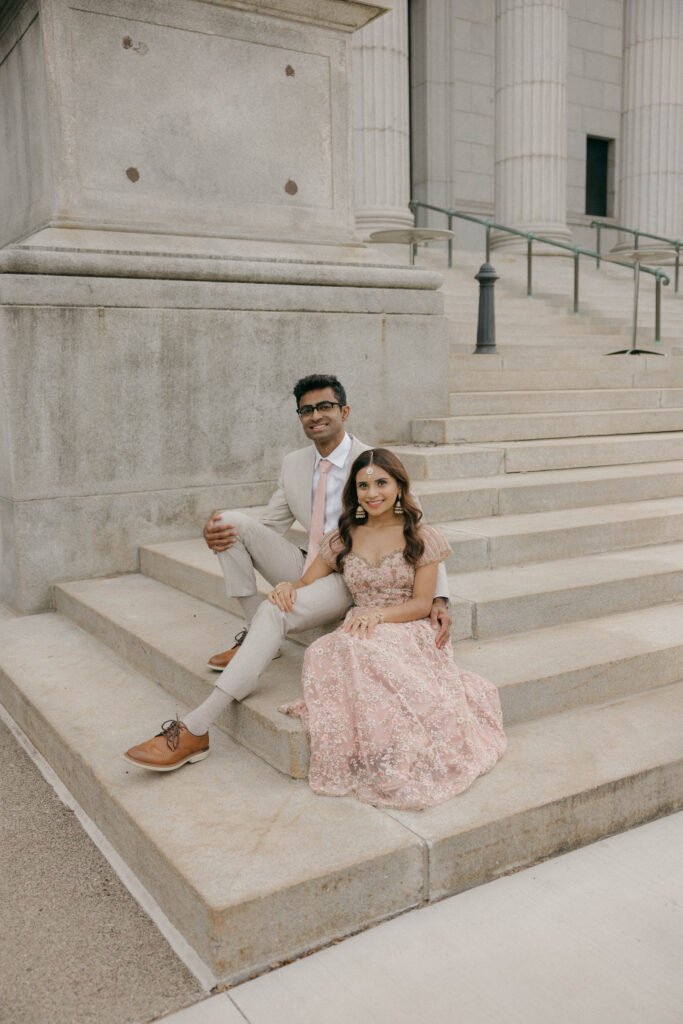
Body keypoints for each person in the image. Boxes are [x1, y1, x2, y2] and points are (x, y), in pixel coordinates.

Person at [124, 377, 451, 771]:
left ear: (344, 411)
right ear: (300, 417)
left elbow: (417, 533)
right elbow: (269, 526)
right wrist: (226, 538)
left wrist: (438, 598)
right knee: (228, 523)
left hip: (353, 578)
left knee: (277, 610)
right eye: (306, 410)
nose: (316, 416)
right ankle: (256, 633)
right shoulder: (294, 464)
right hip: (313, 562)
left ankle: (197, 725)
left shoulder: (373, 463)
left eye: (325, 406)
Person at [275, 448, 506, 810]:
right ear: (354, 491)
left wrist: (379, 616)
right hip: (361, 624)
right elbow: (307, 581)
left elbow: (420, 603)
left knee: (360, 647)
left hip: (407, 625)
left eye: (381, 482)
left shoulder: (421, 537)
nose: (372, 493)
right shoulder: (343, 536)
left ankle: (395, 753)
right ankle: (372, 744)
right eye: (363, 485)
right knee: (324, 649)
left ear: (399, 487)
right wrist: (288, 587)